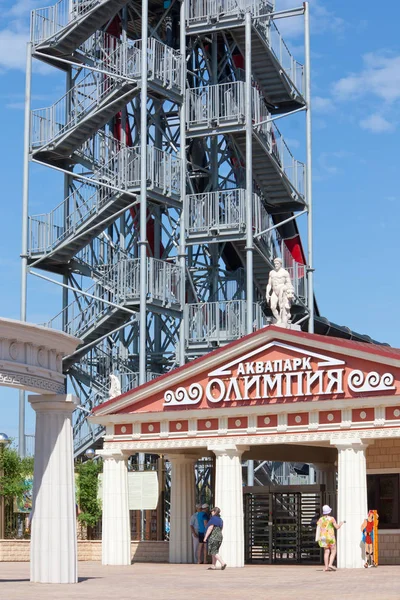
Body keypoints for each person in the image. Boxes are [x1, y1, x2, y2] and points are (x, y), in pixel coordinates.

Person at [316, 504, 344, 571]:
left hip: (323, 537)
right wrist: (340, 523)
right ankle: (330, 564)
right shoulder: (332, 519)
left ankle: (326, 567)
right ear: (329, 512)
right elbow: (337, 527)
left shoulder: (320, 519)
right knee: (333, 551)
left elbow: (318, 528)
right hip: (330, 537)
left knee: (326, 551)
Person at [266, 258, 293, 325]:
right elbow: (269, 284)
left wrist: (288, 291)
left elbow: (289, 283)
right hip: (274, 291)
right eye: (275, 264)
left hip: (281, 290)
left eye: (277, 263)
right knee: (272, 307)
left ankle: (284, 319)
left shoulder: (285, 273)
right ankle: (279, 319)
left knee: (281, 306)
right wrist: (267, 293)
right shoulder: (271, 272)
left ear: (280, 264)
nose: (276, 265)